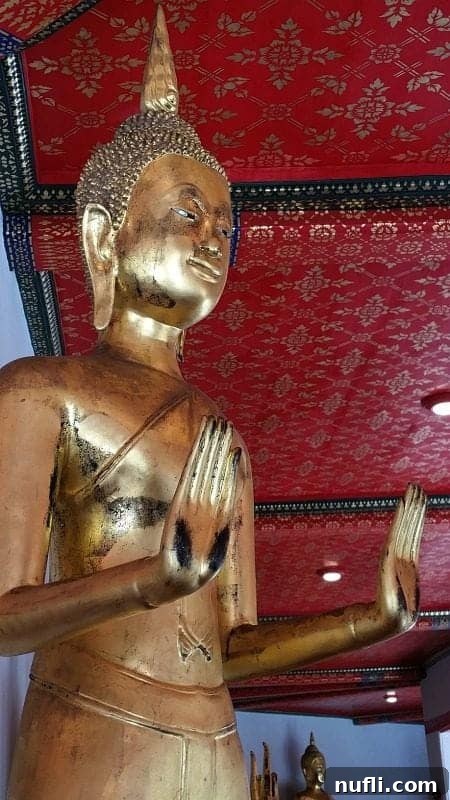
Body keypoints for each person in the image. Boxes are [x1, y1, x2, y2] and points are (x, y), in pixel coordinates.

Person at [0, 8, 426, 800]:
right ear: (104, 237)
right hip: (92, 728)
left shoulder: (222, 441)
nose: (212, 240)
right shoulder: (43, 389)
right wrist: (149, 582)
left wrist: (369, 622)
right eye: (189, 213)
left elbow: (231, 644)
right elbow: (3, 615)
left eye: (226, 228)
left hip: (217, 745)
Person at [295, 734, 331, 800]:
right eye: (318, 768)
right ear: (305, 772)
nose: (321, 772)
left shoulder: (327, 796)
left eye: (322, 768)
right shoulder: (301, 797)